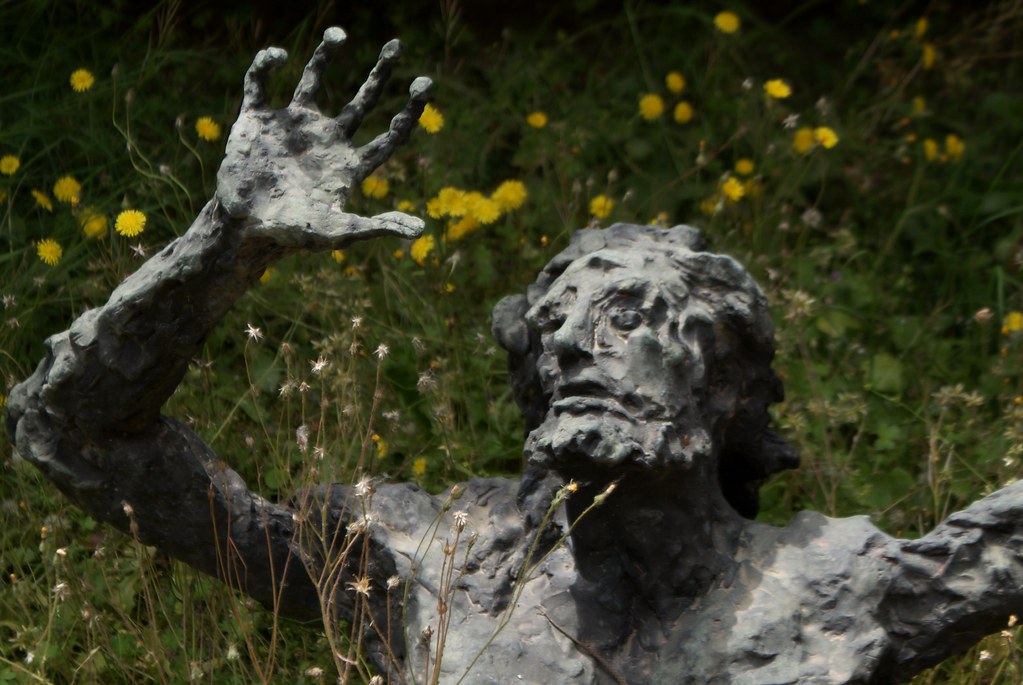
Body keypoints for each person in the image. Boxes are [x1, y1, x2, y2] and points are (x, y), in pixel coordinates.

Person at [8, 28, 1023, 685]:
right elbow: (74, 434)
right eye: (553, 329)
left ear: (728, 387)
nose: (582, 345)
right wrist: (224, 247)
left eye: (629, 315)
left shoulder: (840, 588)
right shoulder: (422, 567)